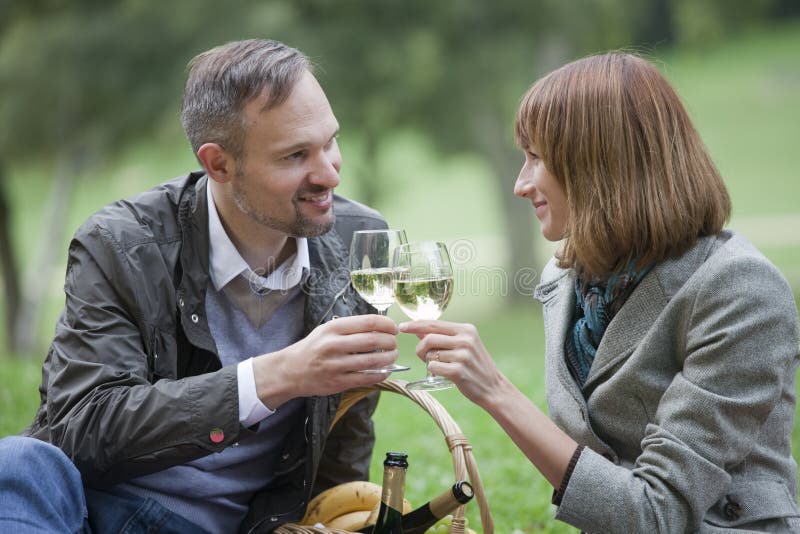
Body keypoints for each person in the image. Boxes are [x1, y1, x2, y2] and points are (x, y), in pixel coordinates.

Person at [0, 39, 400, 533]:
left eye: (330, 141)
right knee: (16, 463)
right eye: (295, 155)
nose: (329, 173)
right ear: (218, 164)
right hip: (93, 515)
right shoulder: (122, 244)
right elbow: (82, 424)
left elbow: (345, 432)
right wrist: (276, 376)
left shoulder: (358, 239)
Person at [400, 52, 800, 532]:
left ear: (598, 164)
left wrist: (496, 391)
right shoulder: (567, 280)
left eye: (536, 158)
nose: (520, 184)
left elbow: (655, 515)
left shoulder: (738, 292)